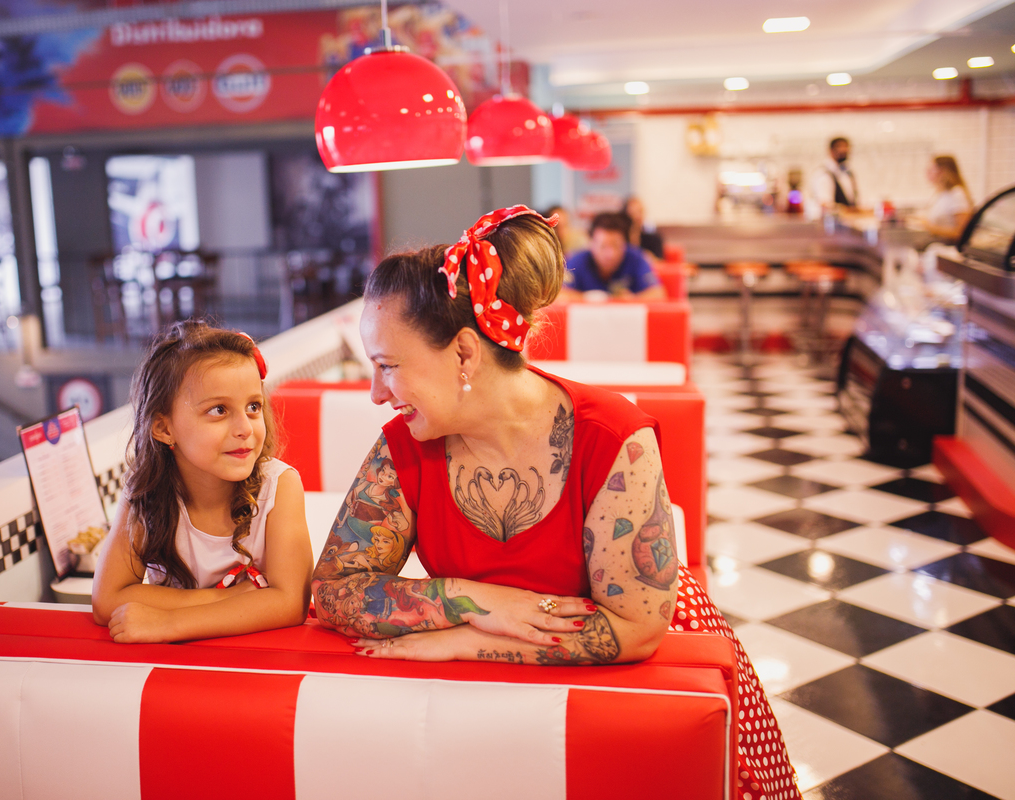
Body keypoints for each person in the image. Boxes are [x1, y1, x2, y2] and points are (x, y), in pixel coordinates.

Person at [311, 205, 798, 800]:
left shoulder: (611, 437)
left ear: (465, 353)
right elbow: (335, 588)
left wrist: (469, 639)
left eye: (387, 367)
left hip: (636, 700)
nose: (375, 393)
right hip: (494, 715)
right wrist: (477, 601)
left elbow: (637, 630)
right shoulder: (406, 446)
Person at [92, 321, 312, 643]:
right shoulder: (145, 494)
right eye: (219, 410)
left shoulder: (279, 487)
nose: (245, 428)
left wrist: (169, 623)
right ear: (164, 428)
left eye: (253, 407)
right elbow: (106, 601)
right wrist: (229, 598)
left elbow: (291, 603)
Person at [560, 211, 665, 300]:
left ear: (625, 244)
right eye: (603, 246)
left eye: (616, 246)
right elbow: (559, 295)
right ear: (591, 244)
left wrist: (632, 299)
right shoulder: (577, 261)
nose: (610, 254)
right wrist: (588, 298)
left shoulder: (636, 258)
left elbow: (658, 294)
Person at [919, 155, 973, 241]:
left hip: (950, 249)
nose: (927, 172)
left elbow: (962, 233)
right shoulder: (941, 193)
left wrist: (928, 227)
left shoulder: (957, 194)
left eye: (932, 169)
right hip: (937, 245)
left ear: (943, 171)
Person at [812, 136, 859, 212]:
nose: (844, 150)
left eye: (846, 148)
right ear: (831, 150)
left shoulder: (848, 172)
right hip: (834, 222)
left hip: (850, 221)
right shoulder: (823, 174)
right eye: (840, 147)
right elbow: (824, 203)